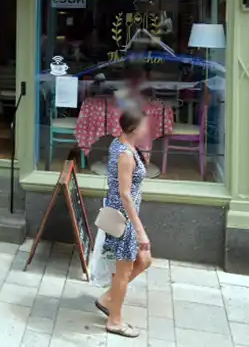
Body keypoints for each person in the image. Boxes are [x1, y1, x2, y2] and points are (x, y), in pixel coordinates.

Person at [94, 100, 153, 338]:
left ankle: (109, 298)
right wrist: (139, 230)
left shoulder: (121, 144)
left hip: (124, 216)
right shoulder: (125, 154)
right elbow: (125, 194)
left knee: (144, 260)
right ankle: (115, 320)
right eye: (144, 126)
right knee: (125, 268)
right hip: (124, 221)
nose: (147, 130)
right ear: (133, 128)